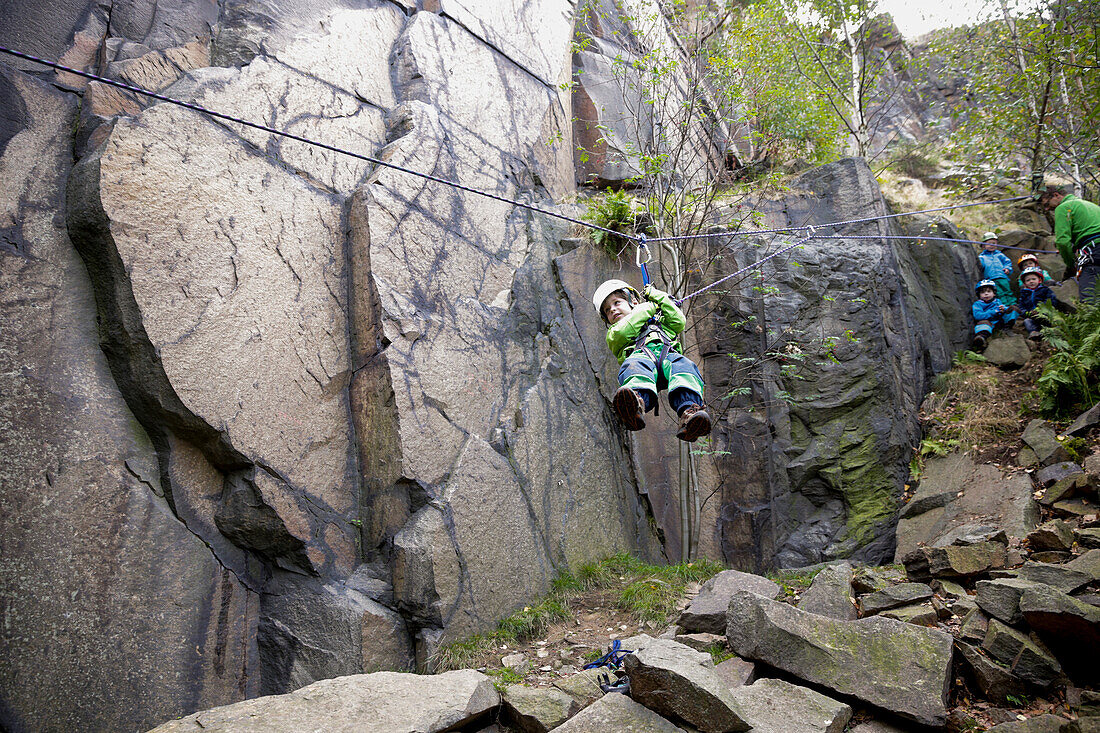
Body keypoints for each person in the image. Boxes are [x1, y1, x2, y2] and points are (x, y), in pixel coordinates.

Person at [592, 279, 711, 442]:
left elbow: (678, 320)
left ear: (633, 301)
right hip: (642, 361)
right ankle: (635, 404)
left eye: (616, 302)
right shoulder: (614, 333)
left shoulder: (661, 323)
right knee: (634, 366)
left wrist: (657, 296)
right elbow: (627, 328)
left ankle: (689, 412)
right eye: (607, 310)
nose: (612, 310)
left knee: (686, 367)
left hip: (668, 357)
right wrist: (650, 306)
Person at [1039, 184, 1100, 302]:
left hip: (1093, 250)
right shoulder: (1093, 206)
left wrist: (1071, 263)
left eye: (1047, 204)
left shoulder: (1064, 207)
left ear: (1056, 195)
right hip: (1094, 245)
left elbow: (1062, 241)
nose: (1047, 209)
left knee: (1089, 298)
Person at [1015, 267, 1059, 341]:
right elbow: (1021, 307)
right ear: (1025, 283)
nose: (1031, 281)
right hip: (1032, 317)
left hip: (1045, 314)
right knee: (1027, 321)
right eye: (1028, 280)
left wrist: (1041, 309)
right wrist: (1027, 313)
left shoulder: (1045, 290)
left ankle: (1052, 330)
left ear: (1040, 280)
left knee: (1053, 318)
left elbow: (1051, 300)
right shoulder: (1024, 294)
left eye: (1033, 279)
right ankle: (1034, 332)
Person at [971, 279, 1017, 350]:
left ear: (994, 293)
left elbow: (1004, 308)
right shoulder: (977, 304)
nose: (986, 294)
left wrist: (1003, 309)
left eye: (989, 291)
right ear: (979, 295)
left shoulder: (997, 301)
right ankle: (981, 338)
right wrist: (994, 311)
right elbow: (978, 315)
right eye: (983, 292)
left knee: (1012, 309)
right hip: (988, 323)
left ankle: (1008, 328)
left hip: (999, 322)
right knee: (982, 323)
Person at [977, 232, 1016, 306]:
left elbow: (1007, 262)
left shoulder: (999, 255)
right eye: (989, 243)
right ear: (983, 246)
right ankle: (1004, 306)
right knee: (998, 293)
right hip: (991, 279)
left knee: (1007, 291)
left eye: (994, 243)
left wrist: (1007, 268)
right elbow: (980, 266)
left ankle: (1013, 304)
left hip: (1002, 277)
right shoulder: (982, 257)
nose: (992, 245)